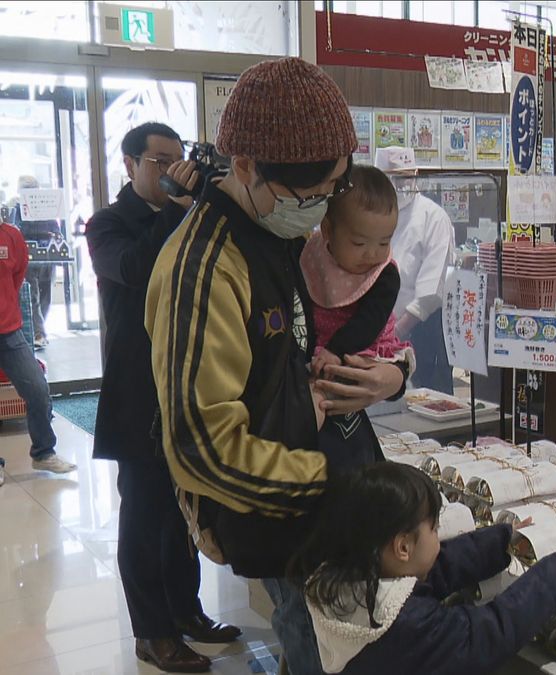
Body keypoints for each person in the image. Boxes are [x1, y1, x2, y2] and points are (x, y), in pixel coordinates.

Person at [145, 57, 408, 675]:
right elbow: (200, 445)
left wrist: (393, 375)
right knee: (308, 636)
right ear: (246, 168)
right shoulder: (203, 270)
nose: (320, 215)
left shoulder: (278, 232)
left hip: (305, 476)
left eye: (330, 195)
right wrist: (331, 487)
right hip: (266, 500)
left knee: (331, 635)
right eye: (309, 198)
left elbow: (342, 323)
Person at [87, 122, 241, 673]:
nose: (172, 168)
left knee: (185, 511)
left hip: (190, 386)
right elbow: (135, 269)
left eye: (179, 159)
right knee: (145, 516)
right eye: (159, 160)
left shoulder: (190, 211)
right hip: (137, 393)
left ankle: (186, 612)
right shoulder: (107, 224)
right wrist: (180, 205)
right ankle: (152, 633)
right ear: (129, 164)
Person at [290, 462, 556, 675]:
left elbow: (435, 568)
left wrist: (503, 541)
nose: (438, 537)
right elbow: (489, 633)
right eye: (434, 528)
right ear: (403, 547)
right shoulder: (409, 624)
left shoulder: (344, 581)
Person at [301, 163, 415, 474]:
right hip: (320, 351)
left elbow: (370, 321)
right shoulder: (311, 255)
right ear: (327, 231)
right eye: (359, 244)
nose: (373, 255)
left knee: (324, 397)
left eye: (384, 242)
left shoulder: (383, 275)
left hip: (362, 346)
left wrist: (336, 349)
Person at [375, 147, 455, 394]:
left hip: (420, 329)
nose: (401, 184)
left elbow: (431, 290)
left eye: (407, 177)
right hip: (374, 330)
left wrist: (396, 331)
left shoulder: (433, 217)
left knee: (424, 401)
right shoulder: (372, 215)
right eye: (393, 178)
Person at [0, 219, 75, 482]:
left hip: (10, 332)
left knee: (37, 390)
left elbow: (18, 275)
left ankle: (43, 453)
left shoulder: (11, 236)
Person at [12, 175, 58, 349]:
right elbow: (16, 231)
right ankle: (38, 333)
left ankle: (39, 330)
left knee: (42, 297)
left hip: (46, 256)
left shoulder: (46, 206)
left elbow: (55, 228)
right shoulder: (18, 208)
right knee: (35, 297)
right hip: (30, 258)